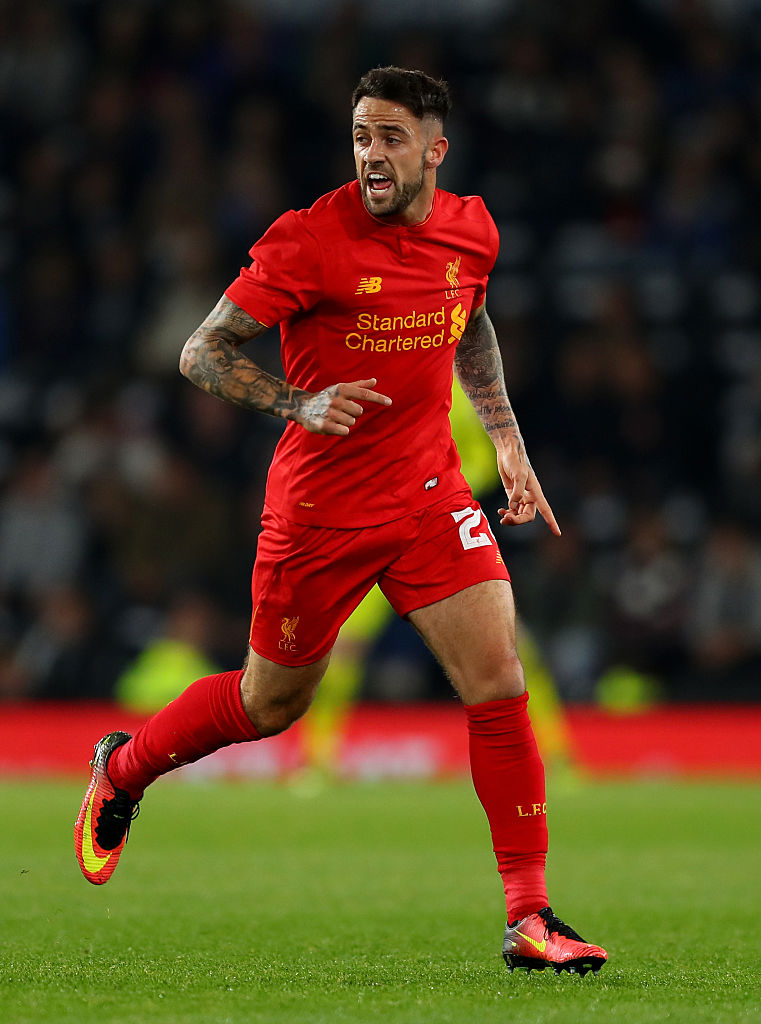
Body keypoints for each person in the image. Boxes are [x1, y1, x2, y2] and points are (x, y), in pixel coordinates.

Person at [74, 66, 607, 976]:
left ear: (434, 150)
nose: (371, 155)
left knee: (497, 679)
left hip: (430, 495)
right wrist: (297, 401)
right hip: (320, 514)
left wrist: (506, 440)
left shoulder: (471, 229)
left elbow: (471, 320)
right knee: (268, 705)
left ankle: (529, 915)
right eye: (361, 136)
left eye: (391, 137)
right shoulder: (309, 239)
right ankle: (122, 770)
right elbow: (200, 351)